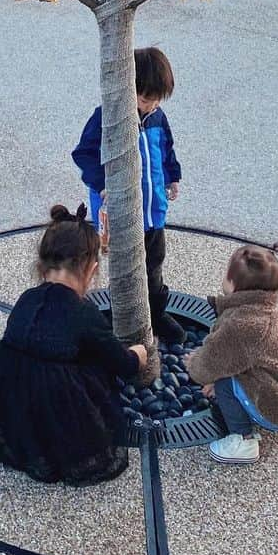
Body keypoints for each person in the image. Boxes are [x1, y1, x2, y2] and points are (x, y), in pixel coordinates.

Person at [0, 204, 147, 485]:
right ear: (91, 269)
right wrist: (138, 354)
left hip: (12, 395)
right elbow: (122, 364)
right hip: (57, 402)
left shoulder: (27, 298)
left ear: (42, 265)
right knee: (94, 368)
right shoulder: (83, 313)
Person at [71, 46, 185, 345]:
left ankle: (156, 313)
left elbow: (166, 150)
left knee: (154, 262)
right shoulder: (107, 117)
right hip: (120, 213)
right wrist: (102, 182)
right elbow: (83, 154)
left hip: (153, 211)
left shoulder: (158, 118)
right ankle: (123, 318)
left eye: (157, 100)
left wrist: (173, 177)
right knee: (124, 269)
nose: (151, 106)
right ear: (128, 87)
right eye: (146, 98)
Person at [186, 244, 278, 465]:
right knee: (236, 367)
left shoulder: (243, 326)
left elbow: (211, 363)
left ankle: (243, 441)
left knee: (225, 382)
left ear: (233, 284)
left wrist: (194, 364)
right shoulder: (265, 310)